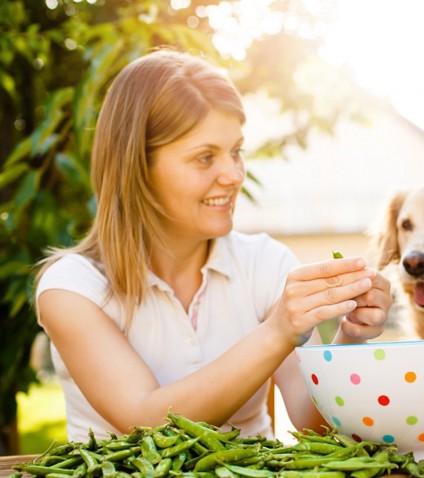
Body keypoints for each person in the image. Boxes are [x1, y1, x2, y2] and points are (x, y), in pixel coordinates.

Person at [34, 49, 391, 443]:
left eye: (236, 151)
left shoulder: (265, 264)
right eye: (205, 158)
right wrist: (276, 333)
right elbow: (146, 422)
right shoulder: (71, 288)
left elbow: (315, 425)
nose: (235, 175)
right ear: (137, 166)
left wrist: (351, 335)